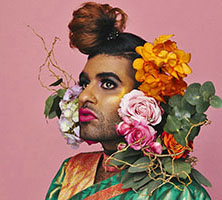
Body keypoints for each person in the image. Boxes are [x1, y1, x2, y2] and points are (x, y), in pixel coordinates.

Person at [45, 2, 212, 200]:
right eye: (84, 84)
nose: (84, 96)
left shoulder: (175, 192)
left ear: (147, 100)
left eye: (107, 84)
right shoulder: (71, 171)